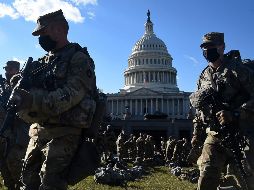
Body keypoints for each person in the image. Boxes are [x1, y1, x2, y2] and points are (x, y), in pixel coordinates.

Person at [11, 9, 97, 189]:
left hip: (64, 132)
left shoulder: (78, 59)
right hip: (38, 130)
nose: (40, 38)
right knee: (27, 182)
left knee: (51, 184)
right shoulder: (43, 62)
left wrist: (32, 100)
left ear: (59, 29)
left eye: (44, 32)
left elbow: (70, 94)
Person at [190, 32, 254, 190]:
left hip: (242, 134)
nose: (207, 50)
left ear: (222, 47)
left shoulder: (238, 70)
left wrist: (236, 113)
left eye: (211, 46)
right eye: (204, 47)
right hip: (215, 135)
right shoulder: (203, 76)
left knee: (247, 180)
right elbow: (200, 110)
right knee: (206, 177)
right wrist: (196, 135)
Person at [0, 60, 30, 190]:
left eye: (10, 69)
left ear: (17, 70)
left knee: (19, 174)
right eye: (6, 69)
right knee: (6, 174)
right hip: (4, 137)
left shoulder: (23, 85)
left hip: (18, 137)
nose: (7, 72)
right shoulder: (4, 87)